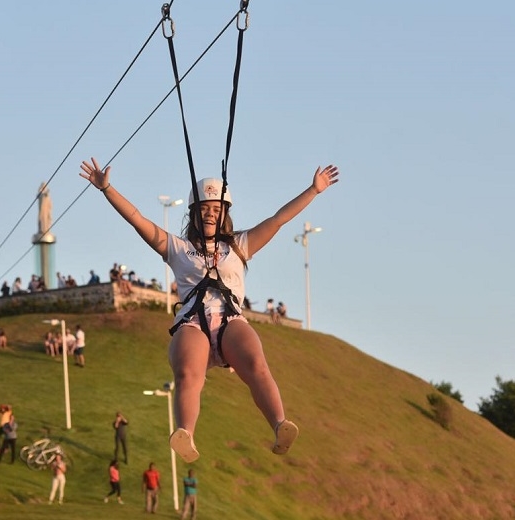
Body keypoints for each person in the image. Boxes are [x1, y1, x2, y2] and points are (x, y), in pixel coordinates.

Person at [80, 158, 339, 462]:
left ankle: (280, 424)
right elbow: (137, 219)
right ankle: (185, 433)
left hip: (230, 321)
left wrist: (313, 190)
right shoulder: (177, 248)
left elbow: (279, 219)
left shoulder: (240, 245)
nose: (211, 214)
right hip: (193, 324)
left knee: (257, 363)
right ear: (193, 213)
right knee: (189, 374)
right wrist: (107, 188)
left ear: (225, 214)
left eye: (217, 209)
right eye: (205, 208)